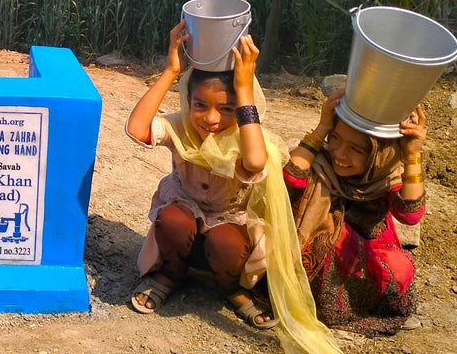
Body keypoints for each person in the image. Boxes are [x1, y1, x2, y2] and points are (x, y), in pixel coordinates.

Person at [125, 20, 339, 354]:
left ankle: (231, 289)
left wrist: (243, 93)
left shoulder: (248, 136)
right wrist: (170, 71)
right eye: (201, 106)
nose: (211, 119)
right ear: (188, 101)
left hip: (229, 231)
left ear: (241, 108)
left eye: (226, 109)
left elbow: (253, 163)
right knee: (173, 220)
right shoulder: (180, 126)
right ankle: (169, 274)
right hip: (185, 228)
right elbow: (137, 129)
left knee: (226, 241)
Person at [285, 89, 426, 335]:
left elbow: (410, 214)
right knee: (332, 245)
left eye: (356, 149)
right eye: (335, 138)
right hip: (322, 253)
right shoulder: (320, 160)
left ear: (378, 154)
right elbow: (291, 176)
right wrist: (321, 129)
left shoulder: (385, 175)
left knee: (399, 268)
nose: (339, 154)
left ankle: (364, 306)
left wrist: (412, 154)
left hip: (368, 254)